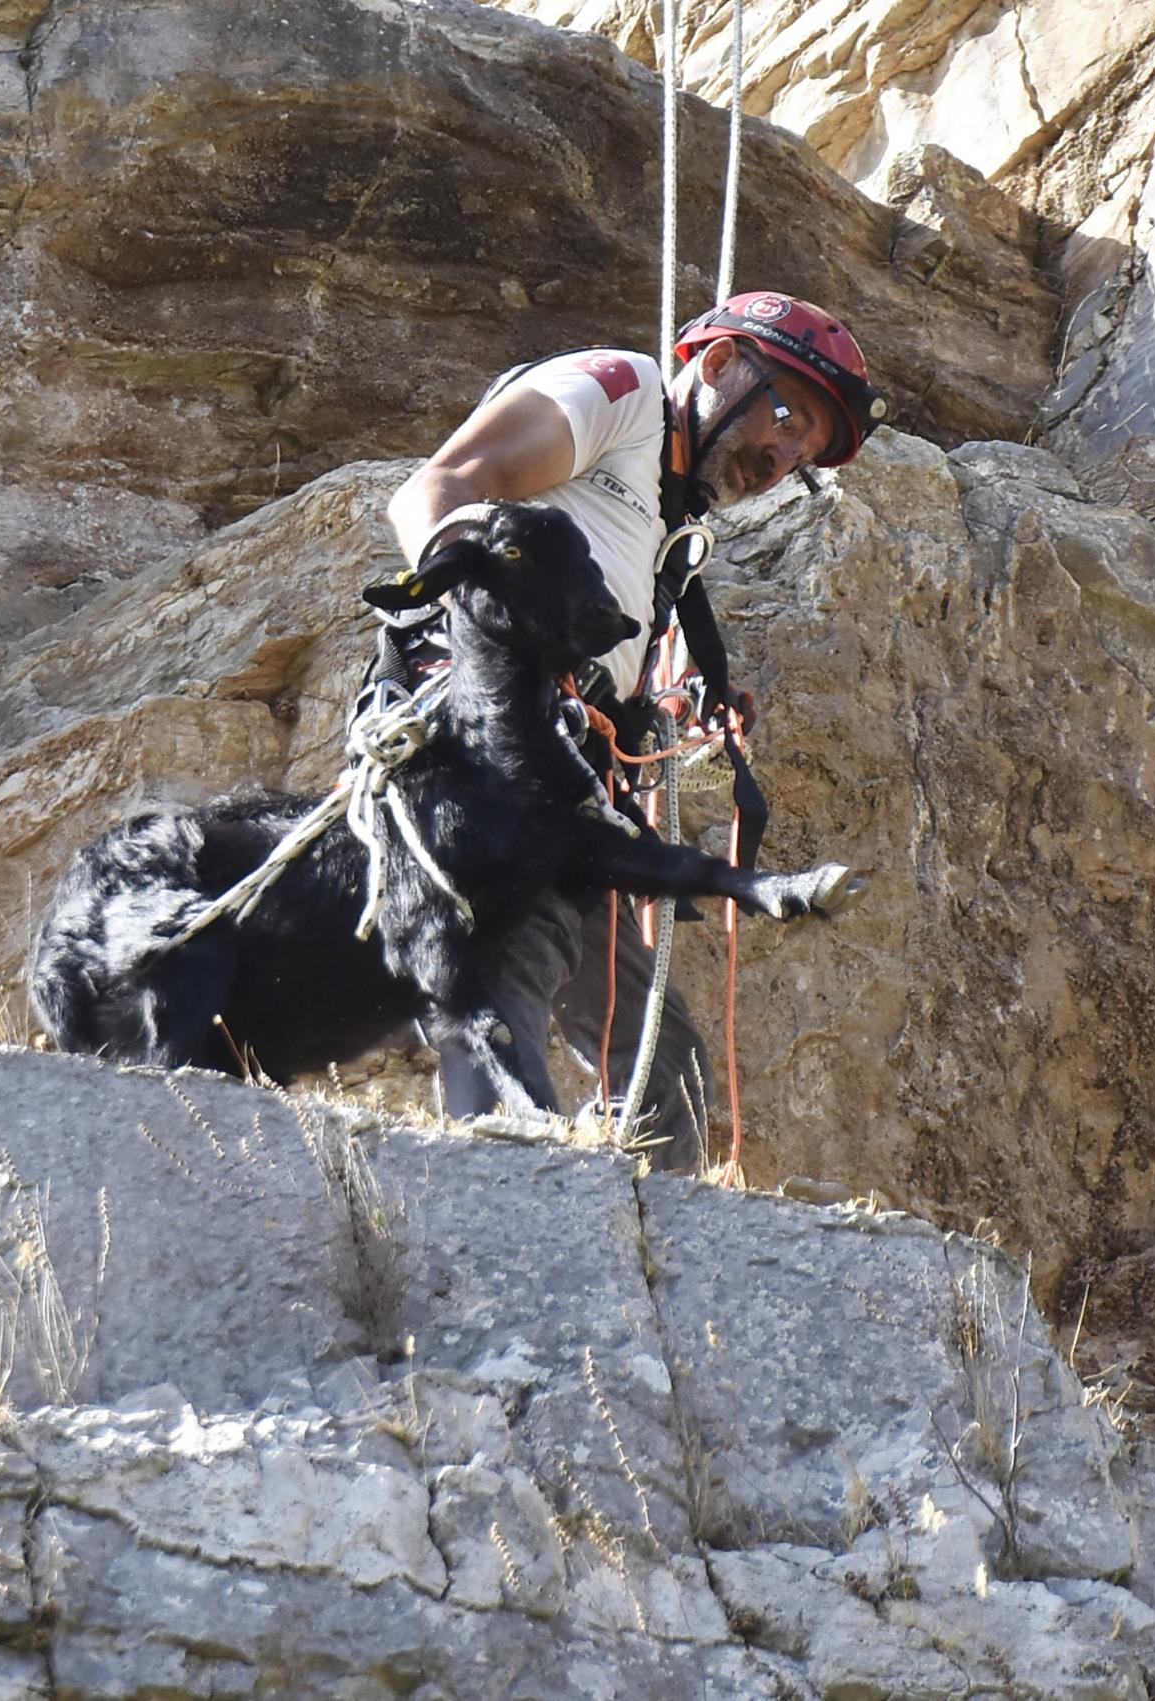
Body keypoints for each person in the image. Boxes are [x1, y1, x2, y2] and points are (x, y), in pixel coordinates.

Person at [380, 291, 887, 1170]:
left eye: (804, 448)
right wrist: (491, 653)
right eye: (788, 414)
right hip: (489, 742)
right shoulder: (624, 389)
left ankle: (644, 1243)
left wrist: (681, 700)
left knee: (665, 1063)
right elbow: (438, 491)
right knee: (517, 945)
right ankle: (495, 1190)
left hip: (569, 775)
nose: (786, 453)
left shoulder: (671, 521)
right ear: (721, 364)